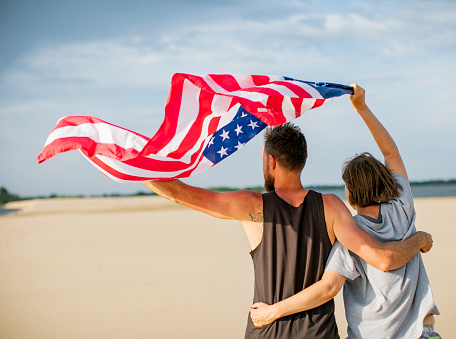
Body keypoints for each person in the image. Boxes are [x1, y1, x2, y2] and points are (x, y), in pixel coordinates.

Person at [143, 120, 433, 339]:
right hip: (320, 333)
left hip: (266, 331)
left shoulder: (252, 205)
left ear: (271, 162)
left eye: (262, 161)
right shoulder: (332, 207)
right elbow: (377, 257)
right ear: (301, 161)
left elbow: (180, 193)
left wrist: (133, 166)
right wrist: (418, 239)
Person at [249, 84, 441, 338]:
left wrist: (273, 311)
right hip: (422, 332)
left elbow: (328, 287)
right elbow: (391, 151)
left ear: (350, 192)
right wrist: (362, 108)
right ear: (386, 181)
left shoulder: (350, 236)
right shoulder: (402, 208)